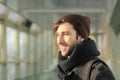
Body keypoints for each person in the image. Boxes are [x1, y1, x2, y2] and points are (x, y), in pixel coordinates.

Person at [52, 14, 115, 80]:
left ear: (81, 37)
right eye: (57, 35)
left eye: (65, 34)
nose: (59, 41)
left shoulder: (97, 72)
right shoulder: (61, 72)